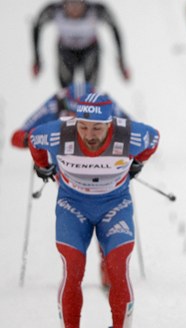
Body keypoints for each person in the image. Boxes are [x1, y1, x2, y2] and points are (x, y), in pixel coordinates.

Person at [28, 93, 159, 328]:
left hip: (115, 204)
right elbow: (33, 138)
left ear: (110, 124)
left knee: (118, 267)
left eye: (97, 128)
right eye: (84, 127)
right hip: (73, 205)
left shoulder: (129, 134)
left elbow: (154, 138)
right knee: (73, 269)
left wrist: (138, 162)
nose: (89, 135)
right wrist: (42, 166)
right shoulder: (59, 133)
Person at [11, 82, 130, 290]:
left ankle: (108, 263)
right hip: (68, 175)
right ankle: (75, 270)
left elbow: (131, 129)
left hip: (106, 172)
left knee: (108, 215)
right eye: (74, 115)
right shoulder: (55, 103)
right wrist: (31, 140)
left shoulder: (106, 102)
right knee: (77, 219)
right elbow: (20, 134)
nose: (86, 129)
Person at [31, 0, 130, 87]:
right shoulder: (54, 10)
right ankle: (66, 102)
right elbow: (37, 27)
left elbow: (114, 28)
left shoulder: (96, 10)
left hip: (90, 49)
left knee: (91, 86)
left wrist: (121, 60)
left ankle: (90, 102)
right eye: (70, 4)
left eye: (78, 3)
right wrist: (37, 58)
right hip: (66, 50)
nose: (74, 9)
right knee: (66, 85)